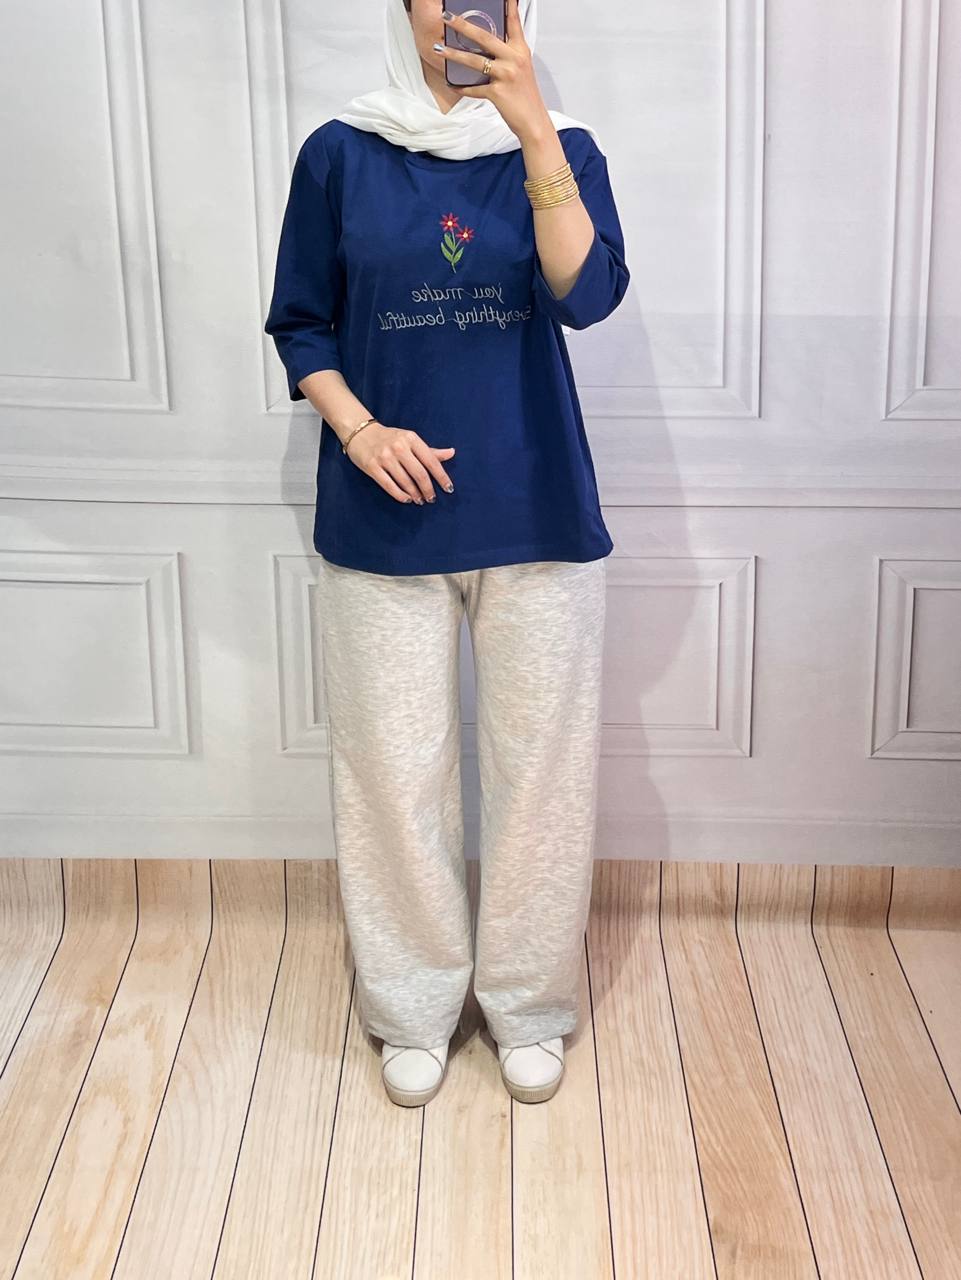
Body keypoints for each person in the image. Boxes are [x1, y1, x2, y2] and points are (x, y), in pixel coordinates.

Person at [264, 0, 630, 1108]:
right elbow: (301, 321)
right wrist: (360, 431)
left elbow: (588, 296)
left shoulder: (560, 143)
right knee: (392, 776)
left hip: (535, 506)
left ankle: (528, 1005)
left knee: (540, 777)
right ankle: (412, 1006)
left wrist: (532, 132)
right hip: (383, 516)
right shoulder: (341, 150)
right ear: (406, 8)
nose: (460, 9)